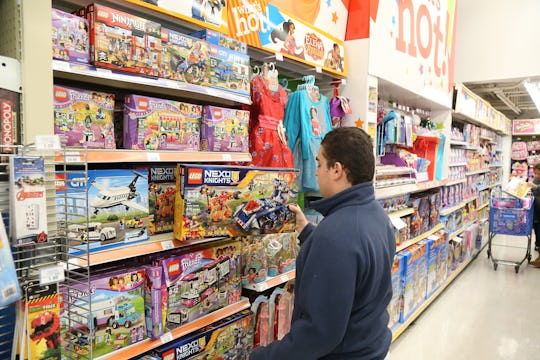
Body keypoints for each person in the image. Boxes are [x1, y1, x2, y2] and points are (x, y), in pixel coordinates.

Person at [249, 127, 396, 360]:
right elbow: (354, 267)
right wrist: (308, 232)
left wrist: (261, 357)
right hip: (370, 348)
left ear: (337, 169)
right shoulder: (377, 216)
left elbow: (318, 335)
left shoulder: (336, 236)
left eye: (319, 164)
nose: (316, 173)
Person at [528, 163, 540, 267]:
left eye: (538, 173)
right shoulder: (536, 179)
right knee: (537, 232)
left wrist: (536, 187)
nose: (536, 175)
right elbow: (533, 189)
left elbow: (537, 188)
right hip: (536, 210)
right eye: (535, 173)